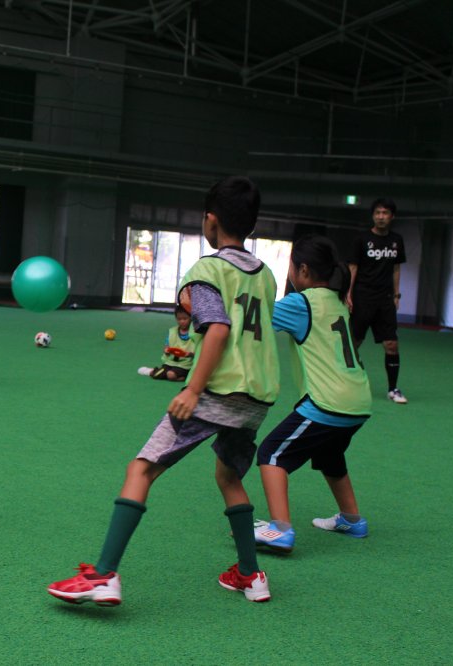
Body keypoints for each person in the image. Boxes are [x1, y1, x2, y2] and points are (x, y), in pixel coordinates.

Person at [47, 176, 280, 606]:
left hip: (217, 393)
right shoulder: (265, 276)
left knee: (141, 469)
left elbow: (217, 331)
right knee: (229, 475)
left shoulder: (207, 269)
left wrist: (193, 389)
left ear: (210, 220)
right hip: (258, 400)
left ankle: (103, 575)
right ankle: (251, 574)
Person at [253, 235, 371, 555]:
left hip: (327, 402)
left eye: (291, 265)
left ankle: (280, 529)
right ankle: (352, 520)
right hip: (358, 401)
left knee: (271, 455)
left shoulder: (301, 303)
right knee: (329, 455)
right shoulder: (336, 299)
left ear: (302, 269)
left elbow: (254, 317)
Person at [347, 198, 407, 404]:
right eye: (378, 213)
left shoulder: (397, 240)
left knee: (391, 344)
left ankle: (393, 389)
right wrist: (348, 293)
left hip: (386, 300)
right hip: (363, 297)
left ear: (392, 217)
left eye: (385, 213)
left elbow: (397, 269)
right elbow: (353, 267)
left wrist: (397, 295)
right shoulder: (361, 239)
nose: (381, 217)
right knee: (354, 343)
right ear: (373, 216)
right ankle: (349, 381)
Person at [137, 305, 199, 380]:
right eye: (179, 319)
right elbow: (166, 346)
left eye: (185, 319)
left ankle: (186, 376)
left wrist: (189, 354)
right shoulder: (172, 331)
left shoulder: (195, 334)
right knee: (157, 375)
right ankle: (152, 371)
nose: (182, 321)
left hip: (186, 365)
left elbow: (199, 352)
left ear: (191, 318)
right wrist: (166, 350)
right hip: (170, 363)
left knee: (170, 375)